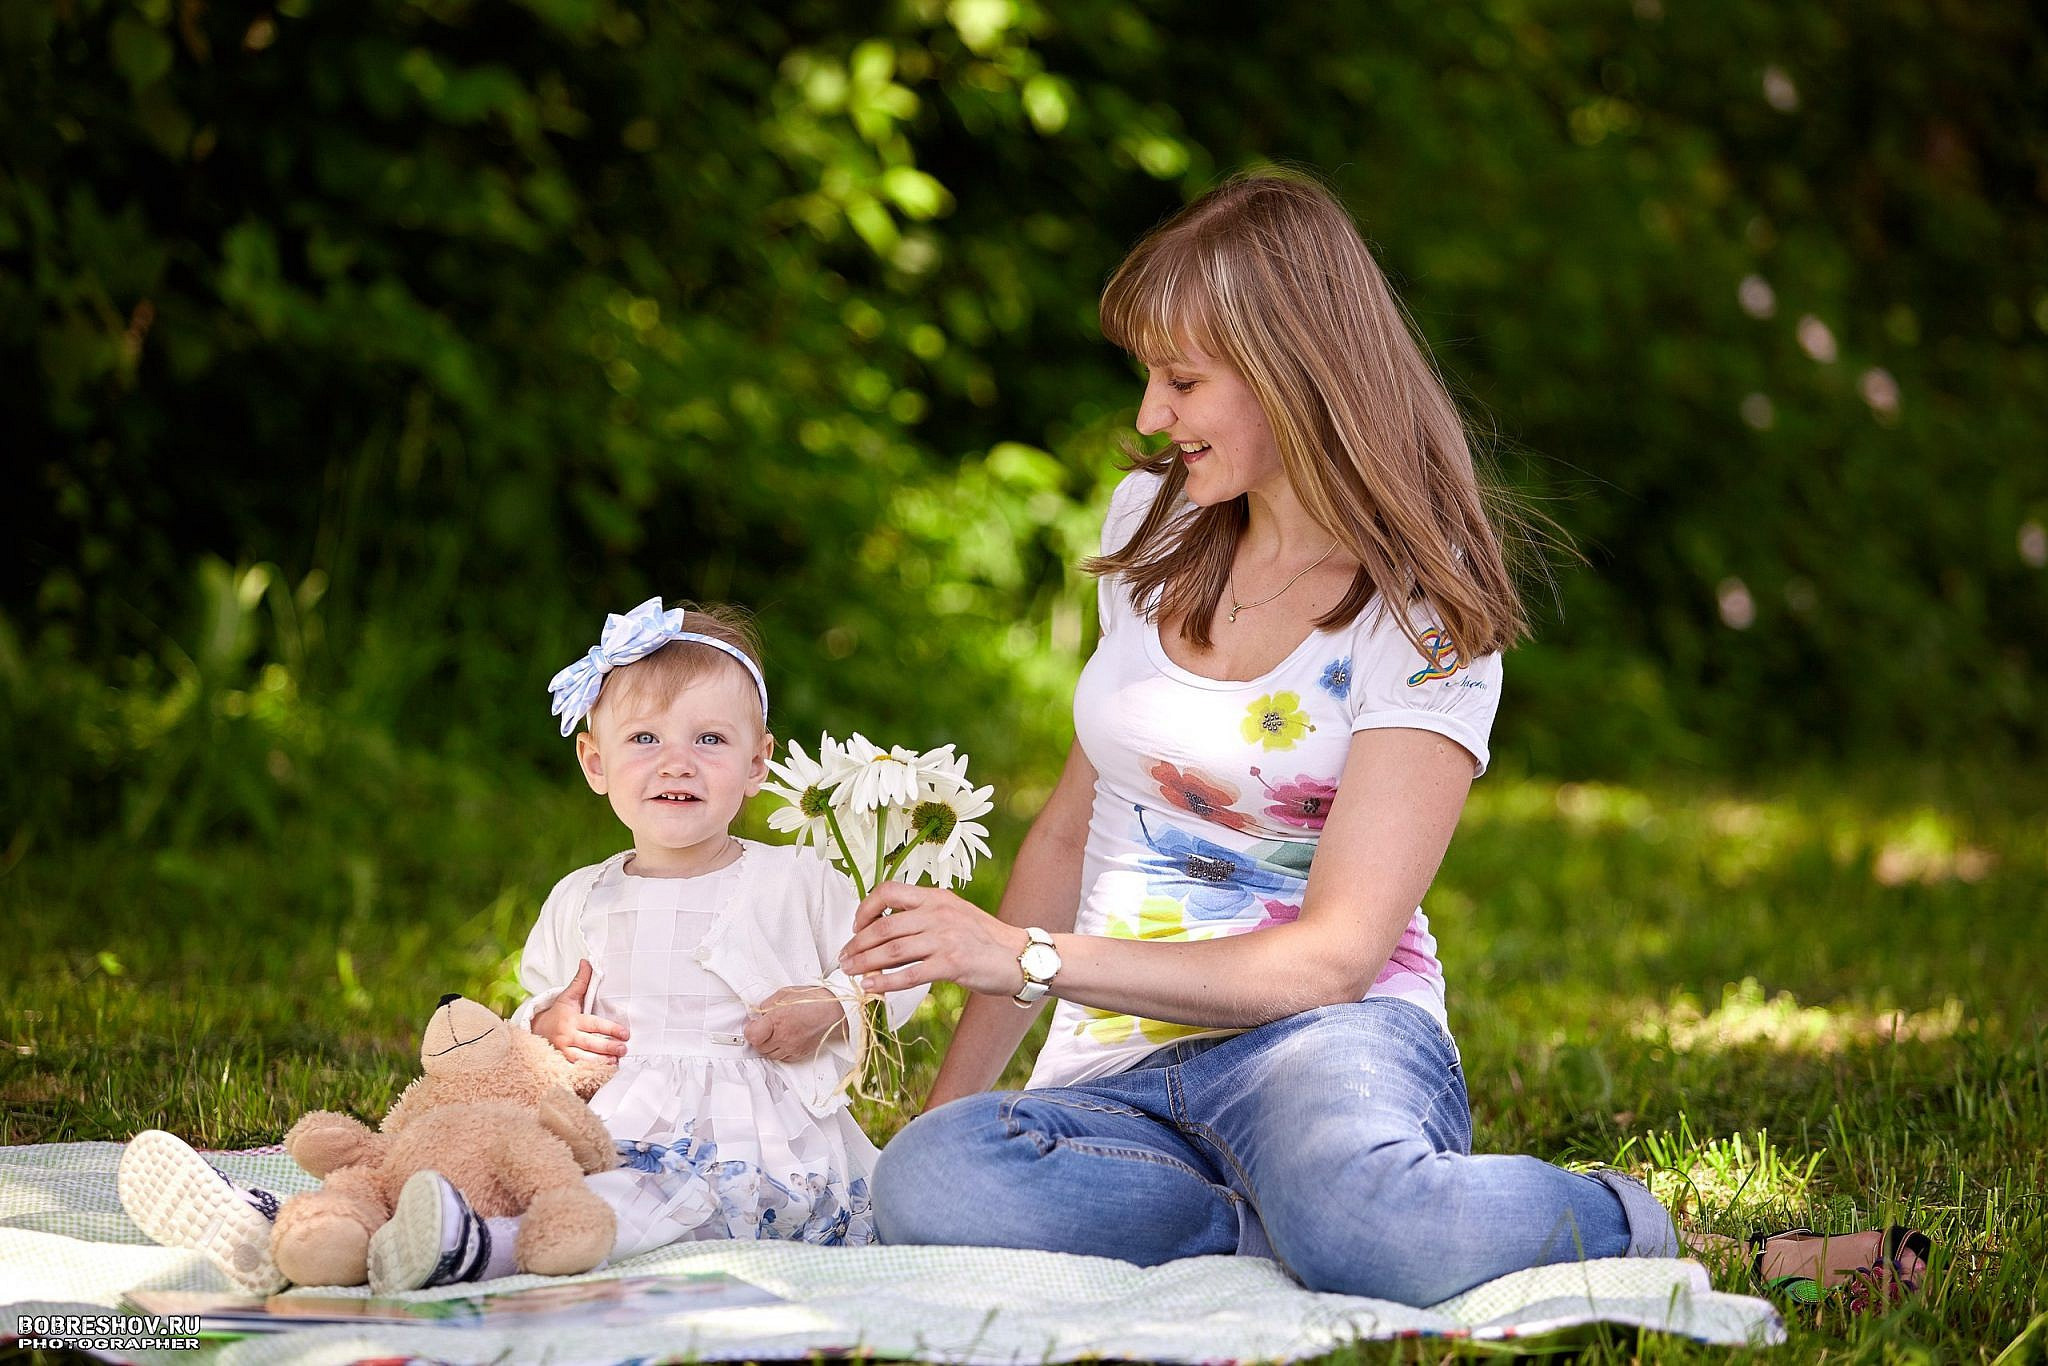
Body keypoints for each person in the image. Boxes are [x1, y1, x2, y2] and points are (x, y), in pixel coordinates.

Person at [835, 171, 1927, 1309]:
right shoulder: (1152, 521)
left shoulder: (1424, 620)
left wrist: (1027, 956)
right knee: (935, 1181)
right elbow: (1070, 830)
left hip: (1325, 1045)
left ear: (1290, 373)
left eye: (1182, 380)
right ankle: (1288, 1228)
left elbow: (1332, 958)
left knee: (1368, 1224)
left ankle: (1621, 1222)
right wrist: (939, 1121)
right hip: (1117, 1075)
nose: (1151, 415)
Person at [120, 598, 923, 1294]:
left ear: (759, 763)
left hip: (741, 1146)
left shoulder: (800, 880)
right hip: (599, 1112)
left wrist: (832, 1006)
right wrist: (550, 1024)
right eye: (645, 738)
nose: (677, 760)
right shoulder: (584, 894)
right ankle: (308, 1226)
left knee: (640, 1202)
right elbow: (536, 1006)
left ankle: (473, 1249)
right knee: (484, 1154)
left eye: (710, 740)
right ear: (595, 762)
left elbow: (899, 970)